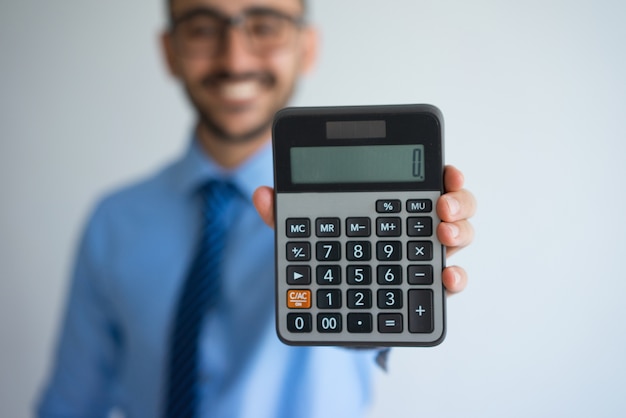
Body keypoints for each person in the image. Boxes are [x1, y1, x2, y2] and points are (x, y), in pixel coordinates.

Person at [37, 0, 476, 417]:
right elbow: (72, 404)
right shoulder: (112, 223)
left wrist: (379, 311)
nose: (235, 58)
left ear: (307, 47)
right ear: (170, 51)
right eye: (203, 28)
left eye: (265, 24)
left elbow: (354, 320)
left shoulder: (361, 220)